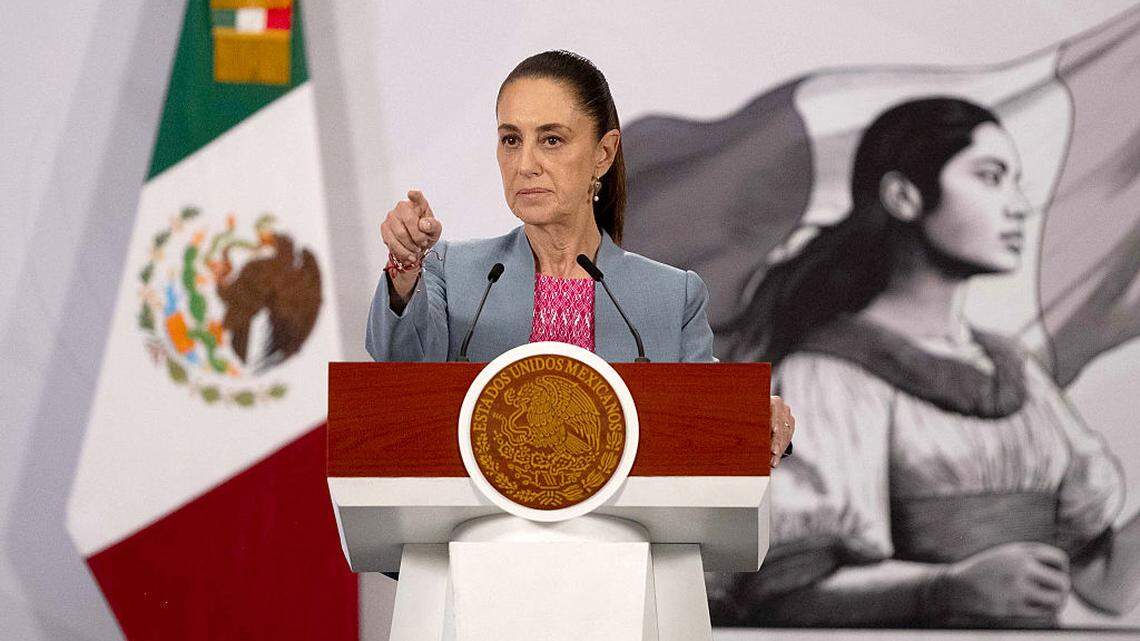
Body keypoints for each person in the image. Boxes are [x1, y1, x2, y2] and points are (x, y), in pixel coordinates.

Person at [709, 97, 1140, 627]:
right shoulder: (830, 374)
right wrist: (946, 589)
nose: (1018, 204)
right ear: (904, 196)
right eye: (990, 176)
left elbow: (1105, 586)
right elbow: (785, 594)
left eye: (1015, 180)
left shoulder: (1017, 370)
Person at [365, 50, 794, 466]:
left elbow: (706, 420)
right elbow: (398, 368)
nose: (525, 164)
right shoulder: (451, 272)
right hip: (479, 535)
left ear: (603, 153)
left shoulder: (671, 297)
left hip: (625, 536)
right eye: (511, 140)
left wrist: (754, 415)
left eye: (551, 140)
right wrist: (405, 266)